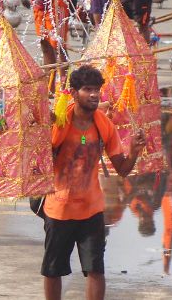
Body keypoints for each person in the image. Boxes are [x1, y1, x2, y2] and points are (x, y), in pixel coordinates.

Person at [37, 66, 146, 300]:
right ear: (74, 94)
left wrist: (134, 152)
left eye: (97, 90)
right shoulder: (61, 121)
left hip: (92, 210)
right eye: (88, 90)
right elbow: (40, 159)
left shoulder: (104, 124)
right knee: (53, 270)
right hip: (59, 210)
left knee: (96, 269)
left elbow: (123, 170)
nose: (95, 95)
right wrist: (43, 127)